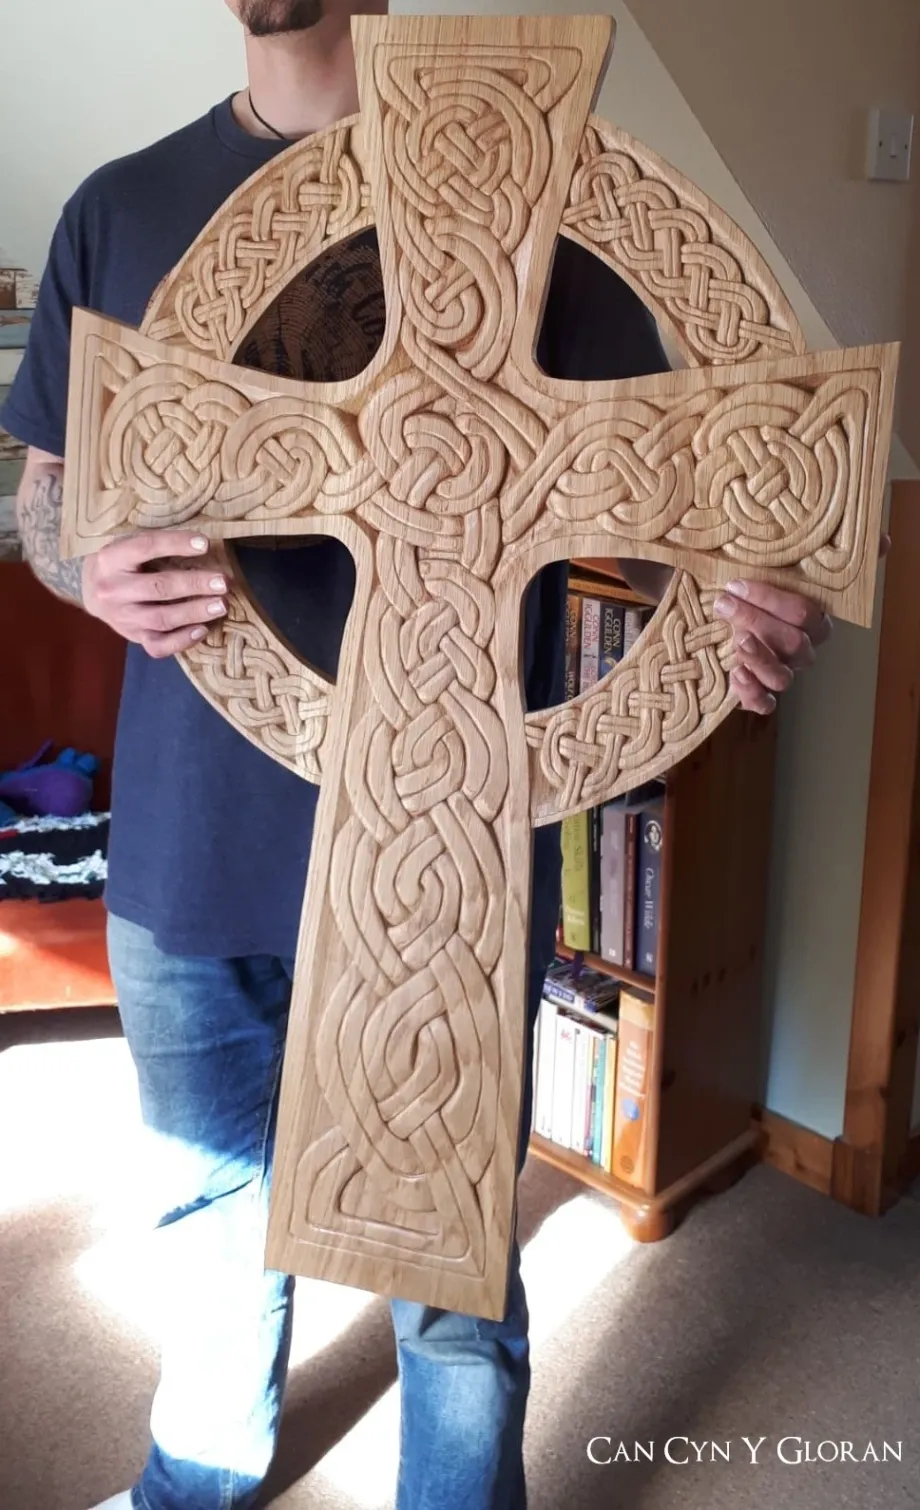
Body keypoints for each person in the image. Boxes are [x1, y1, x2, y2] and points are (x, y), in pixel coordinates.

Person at [3, 2, 834, 1507]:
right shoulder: (114, 210)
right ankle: (199, 1478)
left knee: (451, 1276)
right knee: (204, 1216)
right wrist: (86, 562)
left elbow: (671, 490)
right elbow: (53, 496)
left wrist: (748, 595)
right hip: (191, 834)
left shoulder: (532, 205)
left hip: (437, 838)